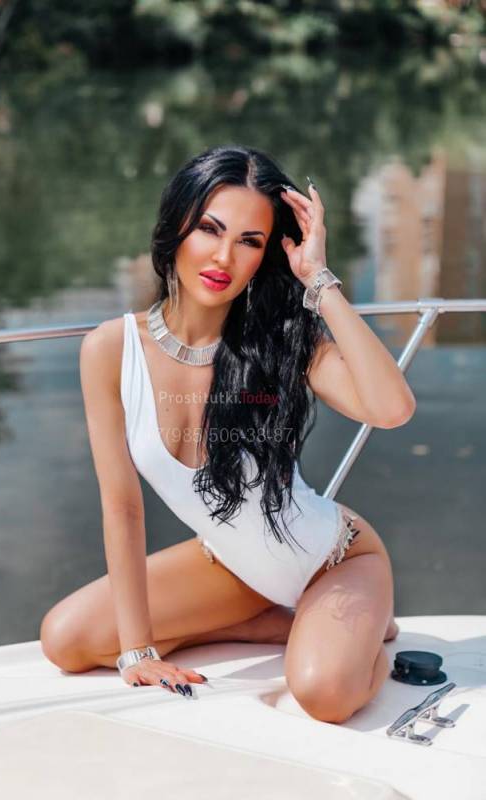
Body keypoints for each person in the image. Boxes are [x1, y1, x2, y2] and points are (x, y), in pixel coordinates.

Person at [40, 145, 414, 723]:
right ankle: (277, 625)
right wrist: (139, 651)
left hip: (336, 560)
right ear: (177, 226)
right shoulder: (111, 350)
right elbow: (122, 506)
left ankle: (364, 638)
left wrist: (318, 280)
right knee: (66, 639)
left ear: (266, 255)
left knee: (324, 693)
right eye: (210, 229)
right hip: (232, 569)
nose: (223, 257)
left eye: (249, 241)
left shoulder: (284, 340)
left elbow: (391, 409)